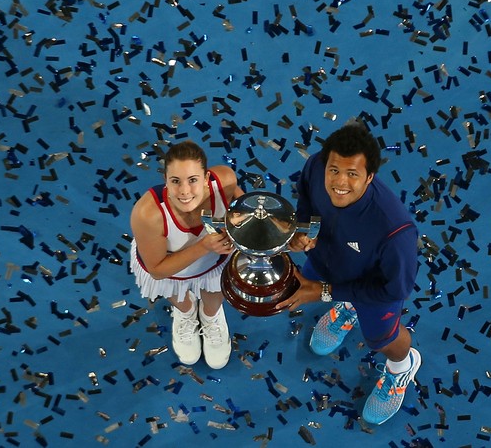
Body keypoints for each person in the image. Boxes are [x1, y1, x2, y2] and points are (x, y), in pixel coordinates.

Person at [276, 121, 421, 425]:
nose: (339, 182)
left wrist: (326, 292)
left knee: (382, 340)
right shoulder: (316, 167)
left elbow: (393, 291)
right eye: (334, 170)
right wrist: (305, 230)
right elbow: (306, 199)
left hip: (373, 291)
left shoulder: (396, 231)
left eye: (352, 174)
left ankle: (402, 367)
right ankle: (345, 307)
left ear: (370, 177)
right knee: (325, 289)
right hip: (326, 260)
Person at [130, 140, 243, 369]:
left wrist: (237, 220)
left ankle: (211, 316)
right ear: (166, 181)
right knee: (179, 297)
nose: (184, 191)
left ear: (206, 178)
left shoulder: (225, 180)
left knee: (214, 295)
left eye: (192, 180)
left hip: (214, 261)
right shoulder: (148, 215)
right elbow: (157, 270)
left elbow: (242, 202)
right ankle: (186, 312)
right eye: (175, 181)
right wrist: (204, 247)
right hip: (171, 268)